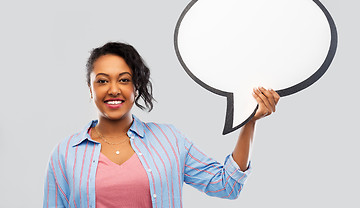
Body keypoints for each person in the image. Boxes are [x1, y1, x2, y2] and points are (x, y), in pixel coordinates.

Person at [43, 42, 280, 208]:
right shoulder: (65, 154)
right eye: (102, 81)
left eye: (124, 80)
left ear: (136, 86)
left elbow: (227, 186)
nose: (114, 89)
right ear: (90, 88)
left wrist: (249, 122)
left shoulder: (169, 140)